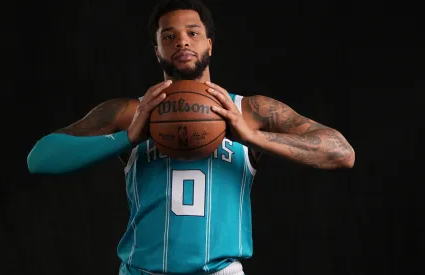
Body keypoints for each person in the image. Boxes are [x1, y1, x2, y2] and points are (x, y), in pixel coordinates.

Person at [26, 0, 356, 274]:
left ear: (209, 43)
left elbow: (341, 152)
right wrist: (126, 137)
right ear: (157, 50)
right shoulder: (130, 113)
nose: (181, 41)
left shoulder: (250, 111)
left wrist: (252, 137)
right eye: (168, 36)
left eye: (192, 33)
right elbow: (39, 158)